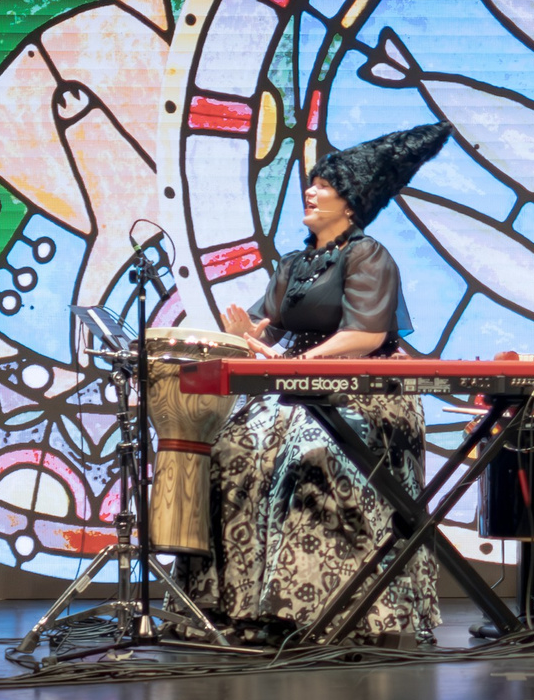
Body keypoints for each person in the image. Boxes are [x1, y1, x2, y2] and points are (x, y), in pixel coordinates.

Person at [185, 122, 452, 646]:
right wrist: (244, 337)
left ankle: (324, 608)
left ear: (351, 202)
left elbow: (364, 334)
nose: (310, 192)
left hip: (360, 389)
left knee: (313, 456)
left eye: (324, 185)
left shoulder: (367, 255)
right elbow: (265, 333)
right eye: (311, 184)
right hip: (297, 385)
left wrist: (298, 362)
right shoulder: (295, 263)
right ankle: (242, 606)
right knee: (230, 450)